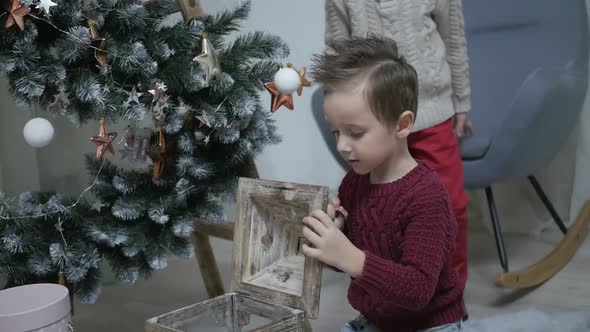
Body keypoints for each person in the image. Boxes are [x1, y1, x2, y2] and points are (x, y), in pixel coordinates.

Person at [302, 36, 465, 332]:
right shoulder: (353, 183)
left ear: (402, 125)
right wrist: (334, 243)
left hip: (430, 325)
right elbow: (356, 264)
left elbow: (417, 290)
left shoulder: (426, 197)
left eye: (356, 132)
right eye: (336, 132)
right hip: (377, 320)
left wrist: (350, 256)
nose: (341, 146)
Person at [324, 0, 472, 288]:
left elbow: (453, 38)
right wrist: (344, 116)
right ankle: (391, 286)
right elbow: (336, 51)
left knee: (451, 206)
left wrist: (462, 101)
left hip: (433, 112)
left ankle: (449, 292)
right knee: (373, 207)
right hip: (370, 117)